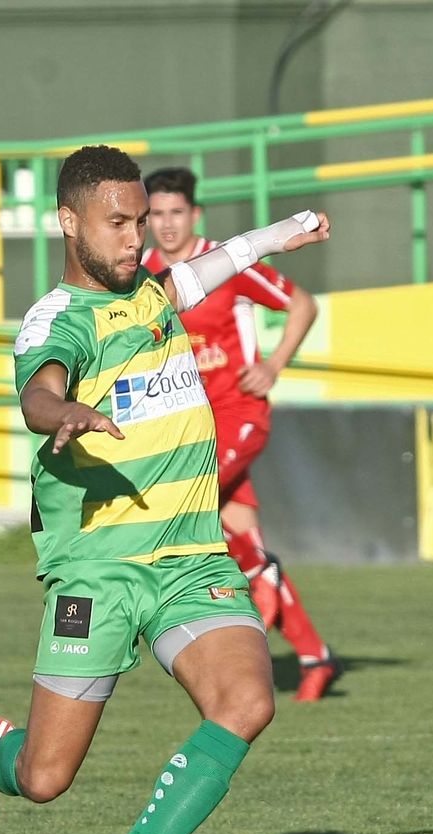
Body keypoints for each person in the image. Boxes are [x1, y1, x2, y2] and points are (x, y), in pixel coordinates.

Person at [0, 144, 329, 834]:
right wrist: (63, 415)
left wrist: (285, 232)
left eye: (143, 222)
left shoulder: (154, 289)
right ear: (68, 222)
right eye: (118, 223)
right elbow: (37, 389)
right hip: (101, 568)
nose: (134, 238)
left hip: (190, 556)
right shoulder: (60, 318)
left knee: (246, 702)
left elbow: (219, 264)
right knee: (46, 778)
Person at [140, 167, 342, 703]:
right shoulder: (148, 277)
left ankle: (261, 585)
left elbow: (303, 303)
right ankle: (314, 656)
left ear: (194, 215)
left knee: (184, 506)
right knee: (245, 541)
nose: (165, 224)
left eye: (175, 212)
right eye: (155, 214)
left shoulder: (222, 263)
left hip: (238, 415)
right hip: (191, 428)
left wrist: (274, 365)